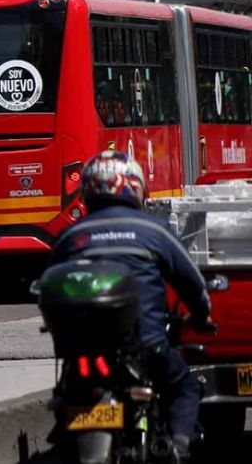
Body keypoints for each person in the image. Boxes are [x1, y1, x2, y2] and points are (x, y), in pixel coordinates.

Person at [49, 150, 213, 461]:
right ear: (134, 186)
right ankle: (177, 448)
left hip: (80, 353)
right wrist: (202, 316)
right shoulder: (154, 230)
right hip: (146, 348)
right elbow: (193, 285)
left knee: (64, 397)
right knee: (186, 387)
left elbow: (47, 282)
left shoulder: (71, 235)